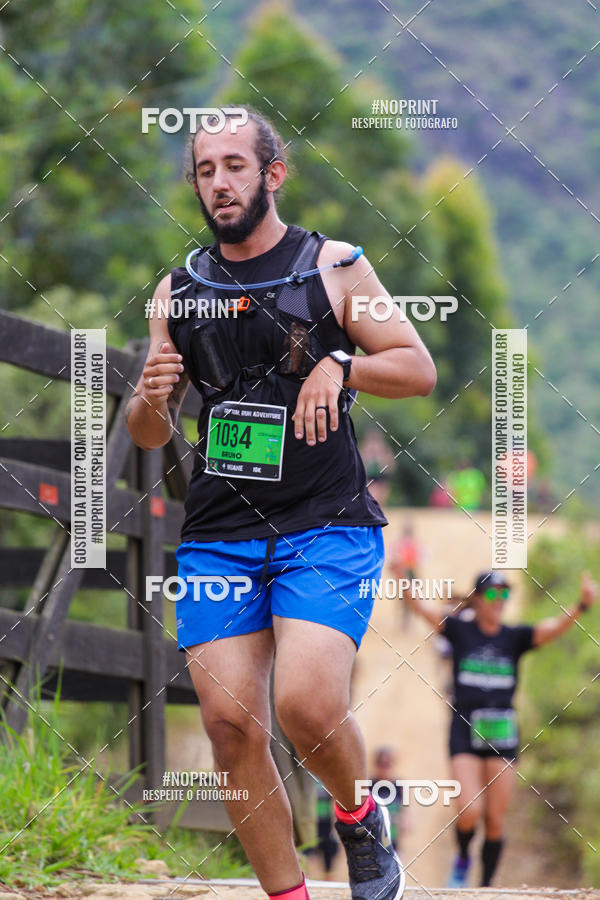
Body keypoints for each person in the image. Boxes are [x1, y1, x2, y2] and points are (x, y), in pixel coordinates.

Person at [126, 105, 436, 900]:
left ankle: (359, 817)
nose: (219, 183)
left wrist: (341, 362)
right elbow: (150, 432)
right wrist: (150, 397)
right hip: (219, 534)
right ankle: (288, 895)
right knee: (231, 728)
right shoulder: (178, 289)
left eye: (235, 165)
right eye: (205, 169)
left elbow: (414, 365)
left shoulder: (332, 266)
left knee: (305, 702)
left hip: (324, 523)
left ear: (273, 174)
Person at [406, 569, 597, 888]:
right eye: (493, 594)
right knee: (469, 809)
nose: (499, 601)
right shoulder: (459, 632)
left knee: (495, 820)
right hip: (465, 728)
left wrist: (581, 606)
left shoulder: (514, 637)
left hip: (502, 733)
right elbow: (421, 608)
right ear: (477, 599)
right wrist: (403, 573)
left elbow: (551, 629)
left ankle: (485, 888)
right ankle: (464, 856)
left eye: (504, 595)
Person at [369, 747, 410, 853]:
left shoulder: (399, 786)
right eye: (380, 763)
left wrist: (402, 821)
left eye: (387, 764)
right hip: (372, 844)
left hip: (392, 842)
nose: (384, 768)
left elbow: (406, 818)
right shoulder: (368, 785)